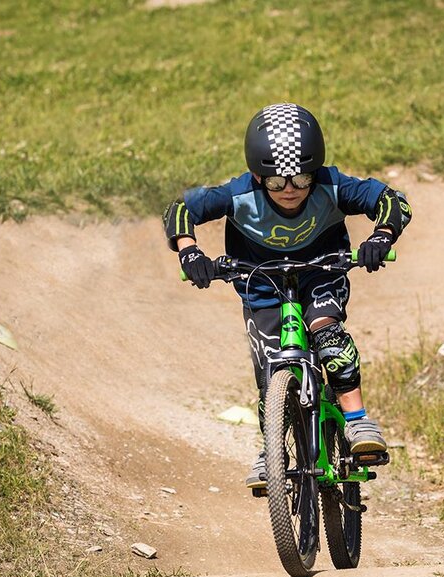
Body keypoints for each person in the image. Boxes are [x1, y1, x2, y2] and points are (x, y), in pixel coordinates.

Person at [163, 103, 412, 488]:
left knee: (327, 334)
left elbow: (392, 200)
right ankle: (273, 451)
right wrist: (190, 251)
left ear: (315, 172)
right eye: (277, 182)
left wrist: (381, 237)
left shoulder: (332, 186)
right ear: (257, 176)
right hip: (261, 284)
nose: (290, 190)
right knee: (269, 368)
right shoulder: (238, 194)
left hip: (321, 274)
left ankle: (357, 420)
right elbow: (180, 209)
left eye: (301, 179)